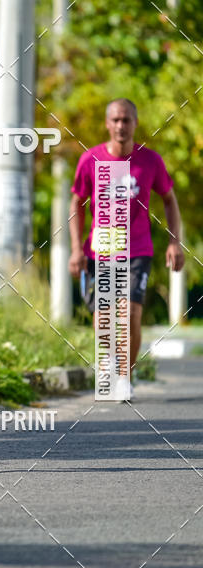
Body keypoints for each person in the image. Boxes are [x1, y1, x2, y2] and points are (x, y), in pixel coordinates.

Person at [68, 98, 185, 396]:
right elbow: (76, 203)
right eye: (116, 120)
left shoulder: (150, 161)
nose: (121, 125)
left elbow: (169, 200)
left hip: (138, 248)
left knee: (131, 312)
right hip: (101, 247)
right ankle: (108, 362)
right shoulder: (90, 160)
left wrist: (175, 242)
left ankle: (124, 378)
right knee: (103, 315)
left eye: (127, 120)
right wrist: (75, 249)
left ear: (135, 123)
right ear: (108, 124)